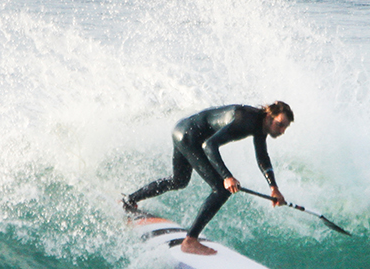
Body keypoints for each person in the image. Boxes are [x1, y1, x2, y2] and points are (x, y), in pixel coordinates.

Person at [124, 101, 293, 255]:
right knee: (221, 189)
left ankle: (130, 200)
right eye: (280, 125)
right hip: (189, 137)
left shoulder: (259, 125)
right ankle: (190, 240)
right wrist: (227, 177)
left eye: (285, 127)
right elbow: (210, 146)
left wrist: (274, 187)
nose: (282, 131)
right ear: (269, 117)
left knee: (179, 181)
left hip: (182, 131)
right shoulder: (246, 120)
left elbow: (262, 157)